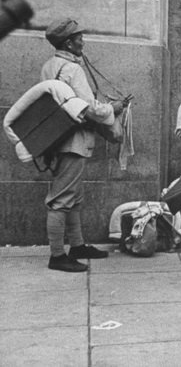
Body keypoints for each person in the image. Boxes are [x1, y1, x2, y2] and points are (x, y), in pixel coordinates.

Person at [41, 18, 124, 272]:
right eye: (79, 38)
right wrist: (114, 108)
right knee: (61, 199)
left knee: (73, 197)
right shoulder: (72, 69)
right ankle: (57, 256)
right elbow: (89, 109)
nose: (83, 41)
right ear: (68, 42)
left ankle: (76, 246)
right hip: (73, 140)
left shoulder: (50, 65)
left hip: (57, 138)